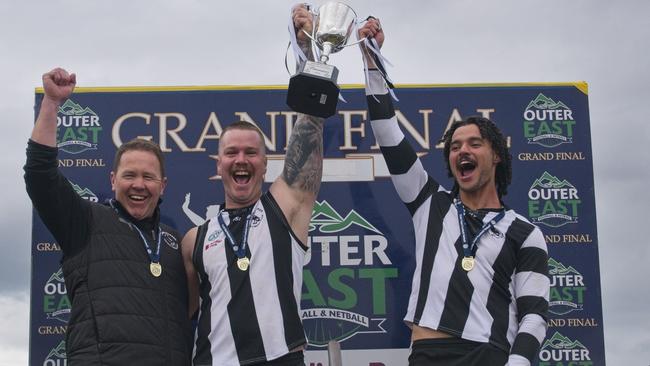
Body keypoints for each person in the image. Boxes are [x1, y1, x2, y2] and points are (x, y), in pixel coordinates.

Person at [358, 19, 550, 366]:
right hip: (427, 354)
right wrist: (372, 63)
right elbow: (387, 132)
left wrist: (517, 364)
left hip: (488, 355)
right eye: (455, 145)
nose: (463, 150)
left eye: (475, 143)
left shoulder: (525, 232)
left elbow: (534, 313)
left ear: (496, 155)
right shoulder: (429, 203)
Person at [180, 5, 324, 366]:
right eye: (231, 152)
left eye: (250, 153)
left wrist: (308, 53)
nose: (241, 159)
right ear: (219, 165)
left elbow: (309, 130)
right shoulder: (194, 240)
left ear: (265, 165)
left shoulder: (286, 209)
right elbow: (179, 315)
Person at [24, 68, 192, 365]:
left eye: (148, 177)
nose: (139, 184)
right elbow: (41, 177)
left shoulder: (175, 243)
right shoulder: (85, 221)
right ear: (113, 181)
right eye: (129, 175)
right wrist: (51, 103)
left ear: (162, 186)